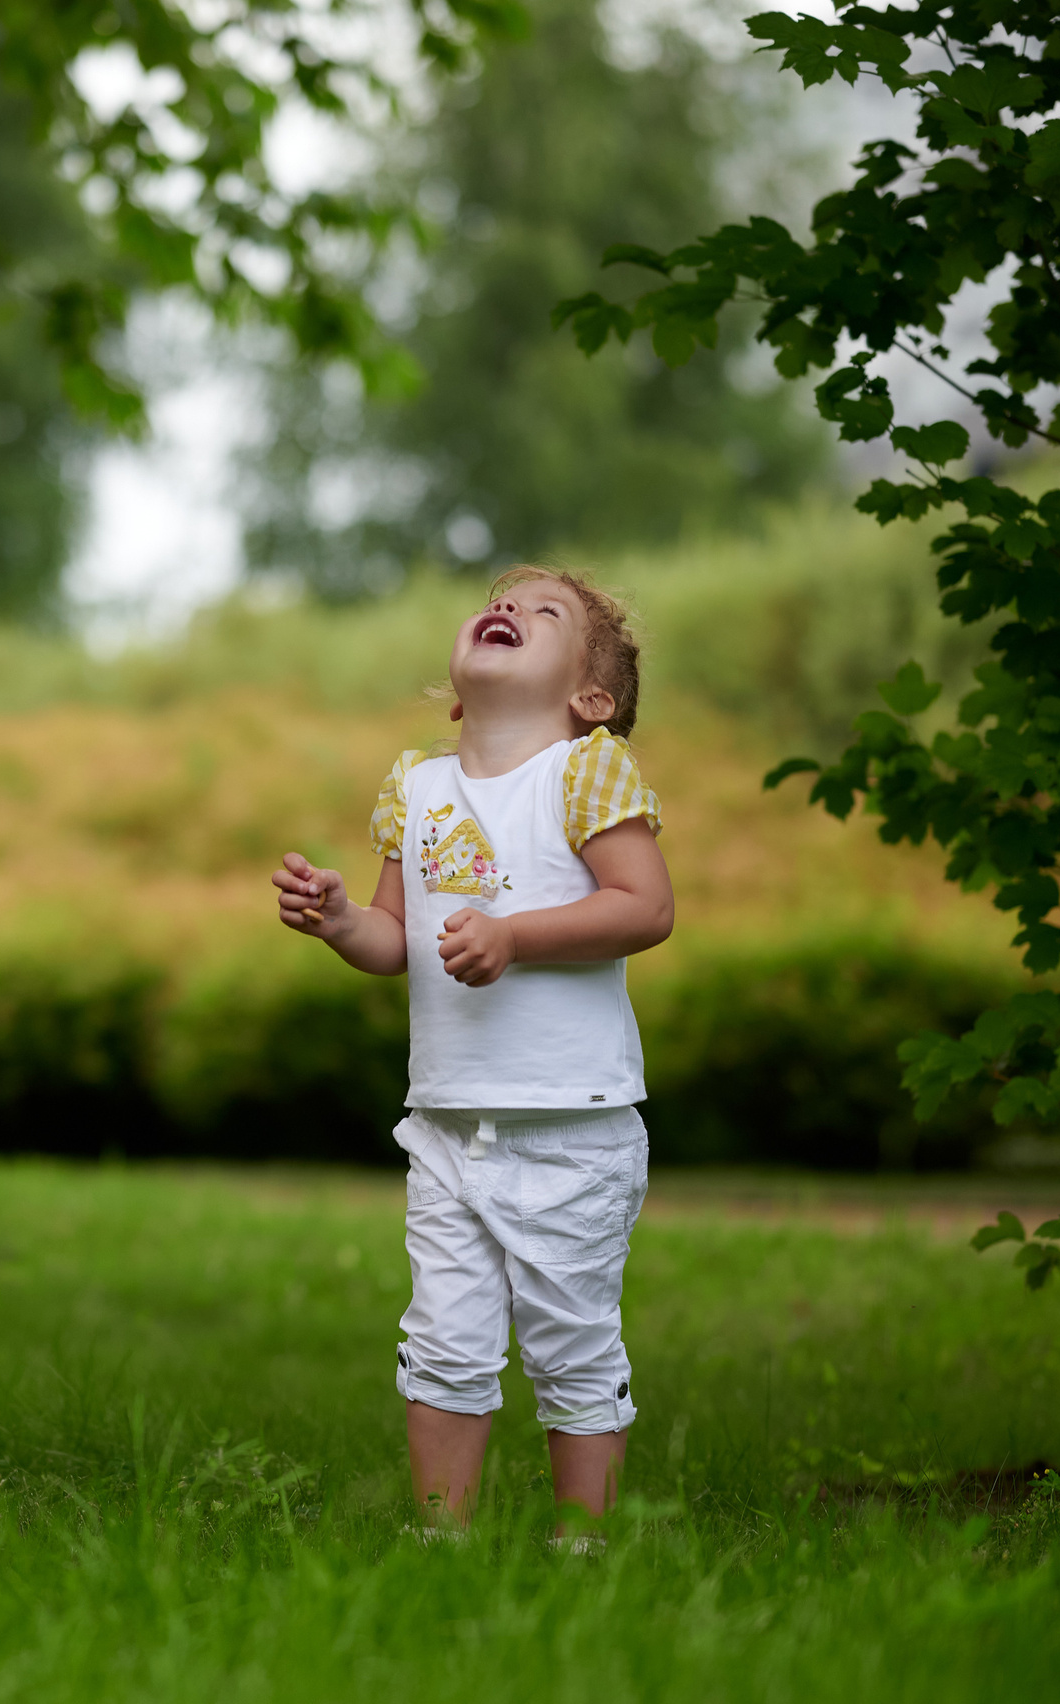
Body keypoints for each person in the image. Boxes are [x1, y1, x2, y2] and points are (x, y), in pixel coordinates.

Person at [270, 565, 672, 1542]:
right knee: (442, 1339)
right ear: (457, 690)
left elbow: (643, 908)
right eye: (499, 602)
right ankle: (438, 1543)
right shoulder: (419, 786)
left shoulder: (582, 773)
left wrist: (513, 935)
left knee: (570, 1342)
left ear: (591, 700)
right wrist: (338, 921)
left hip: (568, 1123)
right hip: (447, 1123)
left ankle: (584, 1547)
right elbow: (392, 938)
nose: (508, 609)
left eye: (545, 613)